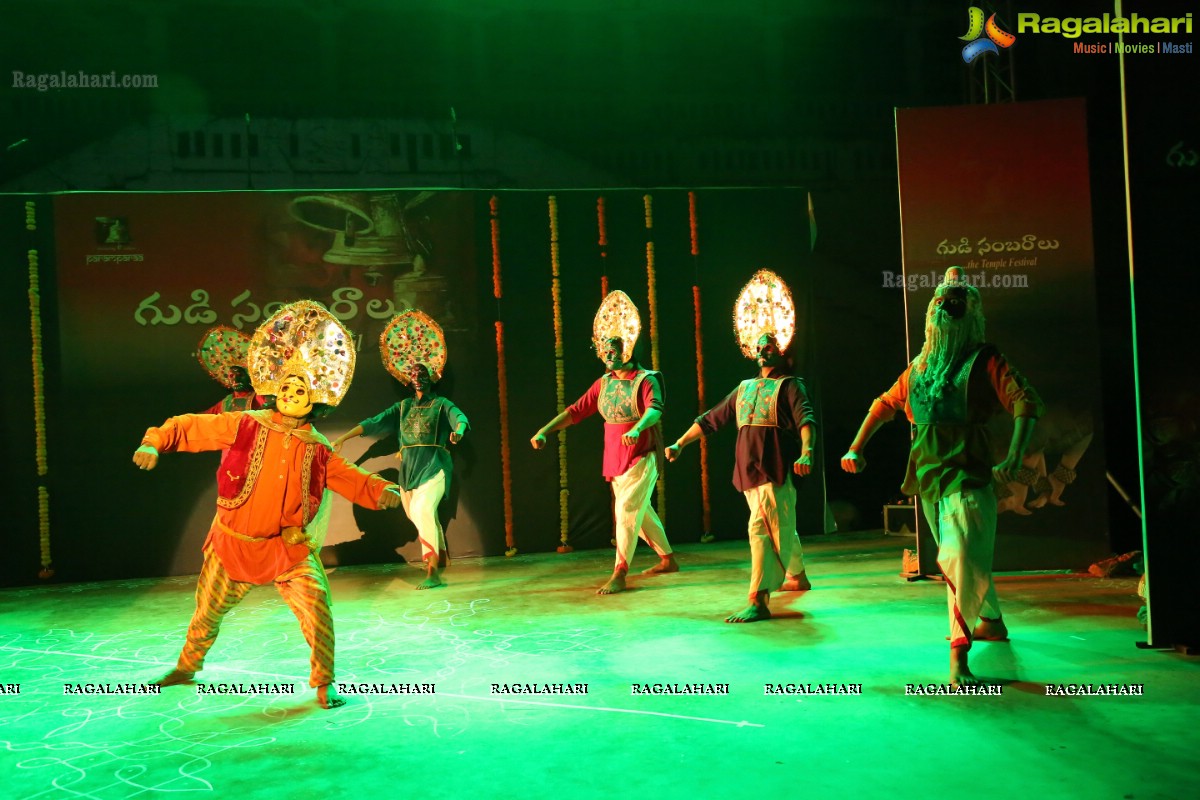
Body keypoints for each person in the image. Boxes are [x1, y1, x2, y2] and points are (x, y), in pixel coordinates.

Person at [134, 301, 403, 709]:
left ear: (315, 400)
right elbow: (191, 425)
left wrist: (382, 491)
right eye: (289, 388)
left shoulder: (317, 447)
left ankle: (324, 682)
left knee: (317, 612)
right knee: (206, 612)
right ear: (276, 390)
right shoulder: (246, 424)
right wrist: (154, 440)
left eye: (302, 391)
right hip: (233, 544)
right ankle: (187, 666)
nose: (294, 395)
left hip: (287, 549)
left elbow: (348, 475)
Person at [840, 267, 1042, 688]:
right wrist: (856, 447)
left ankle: (958, 656)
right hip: (928, 479)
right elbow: (884, 405)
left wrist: (1015, 456)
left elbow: (1024, 404)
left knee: (958, 559)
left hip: (968, 477)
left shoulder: (985, 359)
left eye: (956, 302)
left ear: (969, 311)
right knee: (965, 558)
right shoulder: (920, 367)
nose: (948, 309)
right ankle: (992, 622)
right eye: (941, 302)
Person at [667, 269, 815, 622]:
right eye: (760, 344)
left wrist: (807, 450)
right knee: (780, 524)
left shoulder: (791, 385)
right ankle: (798, 576)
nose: (765, 349)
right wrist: (679, 443)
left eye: (771, 344)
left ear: (781, 348)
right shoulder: (745, 387)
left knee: (761, 529)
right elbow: (711, 419)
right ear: (752, 350)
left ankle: (759, 599)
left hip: (772, 469)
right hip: (748, 472)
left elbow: (806, 420)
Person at [531, 290, 677, 594]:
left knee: (625, 512)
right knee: (640, 511)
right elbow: (576, 411)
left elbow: (654, 410)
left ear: (627, 349)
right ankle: (668, 559)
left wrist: (637, 428)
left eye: (613, 350)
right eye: (604, 351)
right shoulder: (604, 383)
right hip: (615, 457)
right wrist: (545, 430)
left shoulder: (647, 379)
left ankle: (620, 572)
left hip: (642, 454)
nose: (608, 356)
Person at [332, 310, 468, 590]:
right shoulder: (403, 407)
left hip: (435, 465)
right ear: (408, 380)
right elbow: (374, 423)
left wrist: (458, 431)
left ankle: (432, 572)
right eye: (414, 374)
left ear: (432, 377)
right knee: (419, 514)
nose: (418, 378)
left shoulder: (441, 403)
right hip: (408, 471)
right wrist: (344, 437)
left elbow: (460, 418)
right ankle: (441, 559)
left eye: (423, 373)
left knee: (422, 511)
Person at [195, 325, 263, 414]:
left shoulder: (259, 398)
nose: (235, 380)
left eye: (240, 375)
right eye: (231, 376)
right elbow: (206, 417)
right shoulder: (227, 402)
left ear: (249, 376)